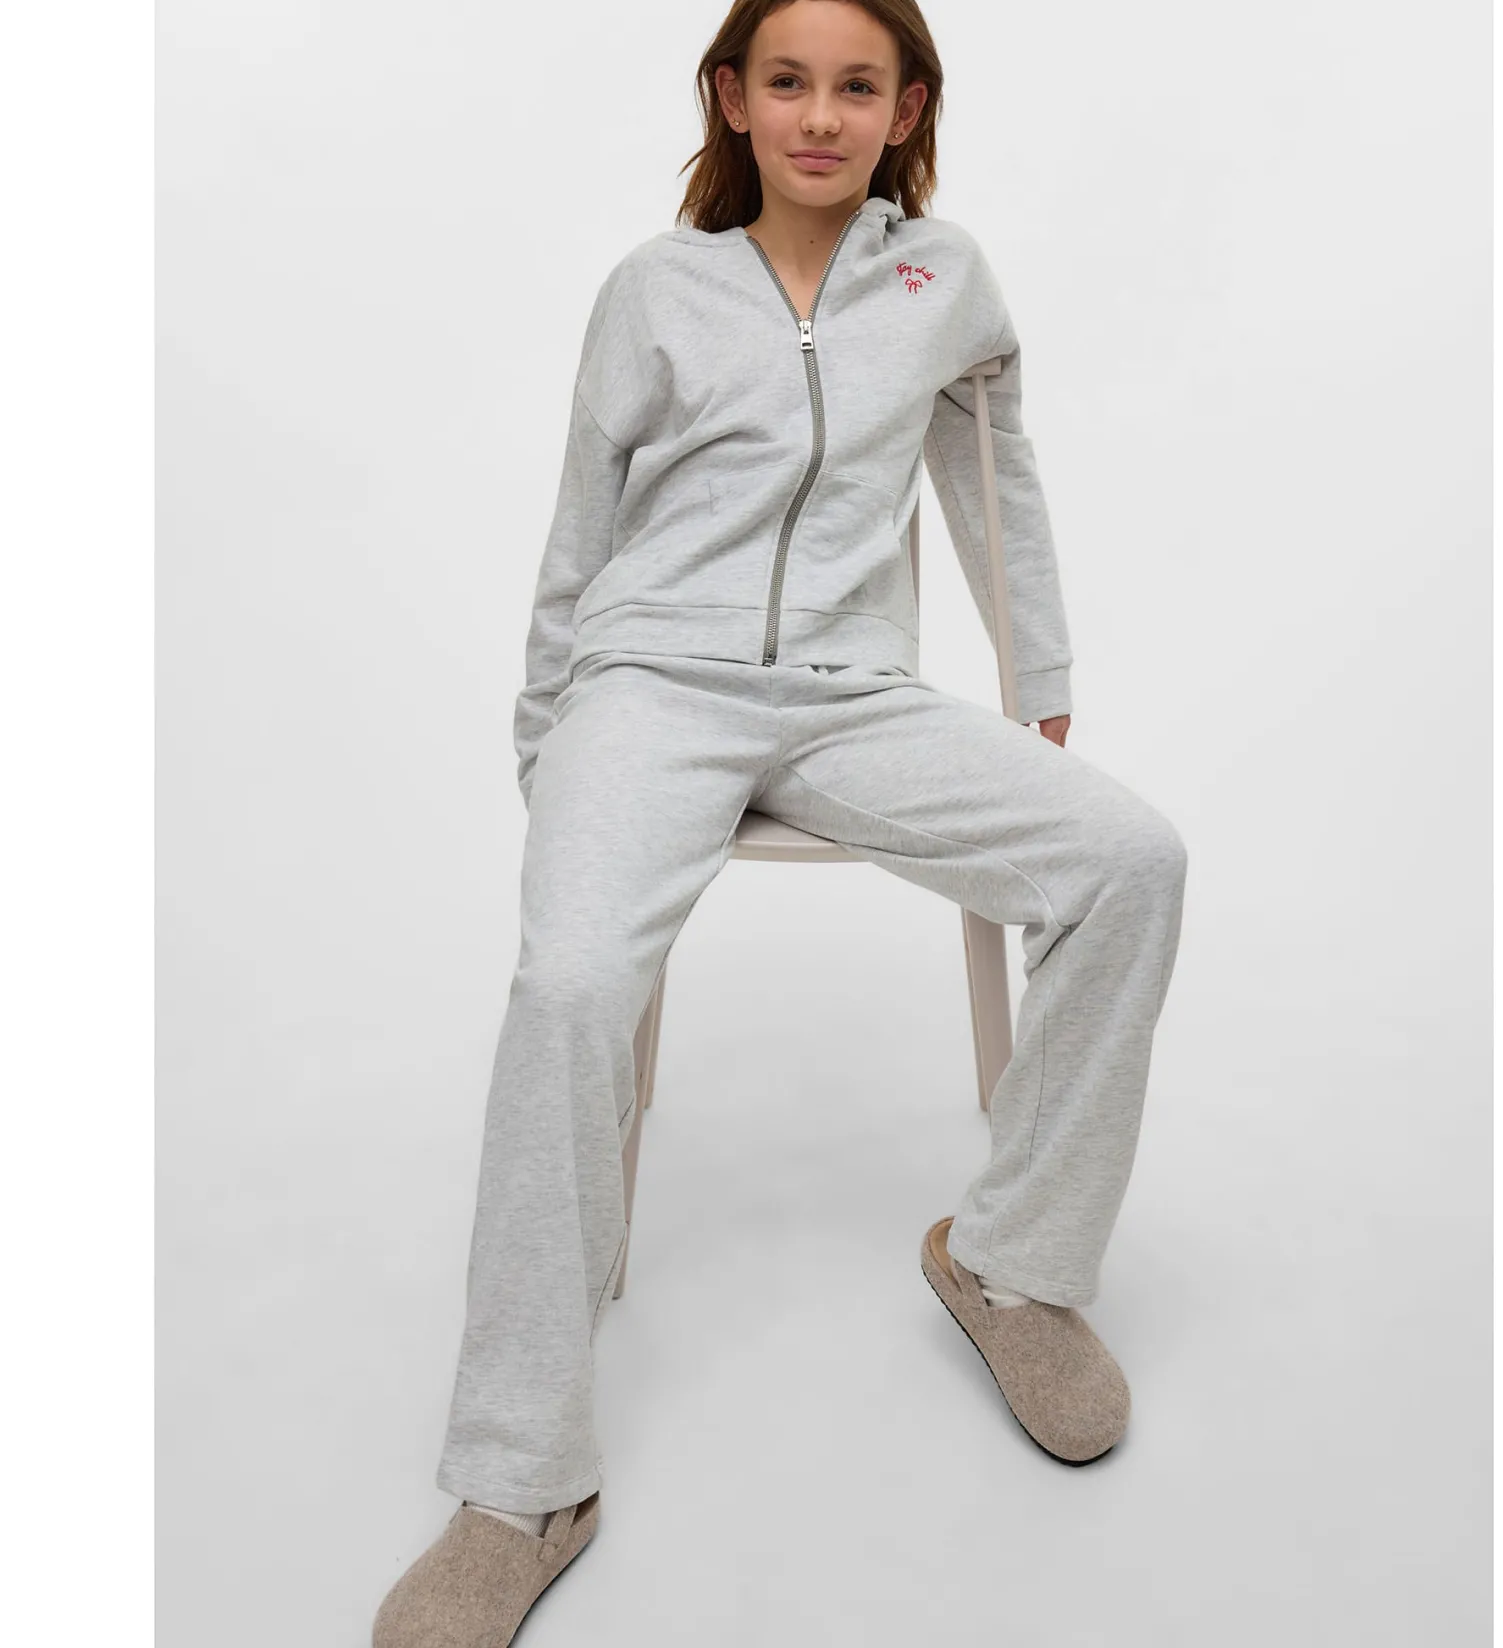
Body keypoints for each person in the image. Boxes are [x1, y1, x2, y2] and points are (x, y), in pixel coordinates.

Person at [373, 2, 1187, 1641]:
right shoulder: (655, 288)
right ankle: (522, 1474)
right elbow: (580, 520)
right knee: (569, 986)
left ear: (906, 108)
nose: (821, 115)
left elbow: (997, 470)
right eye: (790, 82)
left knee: (1131, 860)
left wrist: (1041, 675)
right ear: (733, 98)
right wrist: (551, 735)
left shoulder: (942, 280)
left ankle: (1012, 1266)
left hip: (849, 692)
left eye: (856, 86)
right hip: (648, 689)